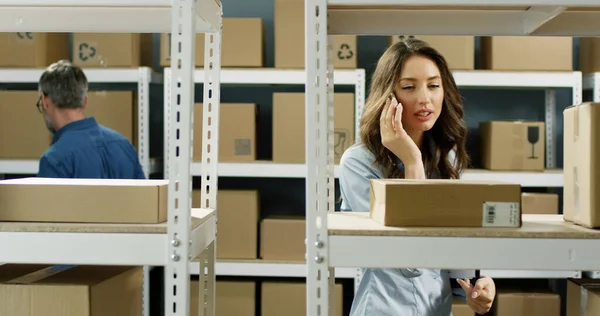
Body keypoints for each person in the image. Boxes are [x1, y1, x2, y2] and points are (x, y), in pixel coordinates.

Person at [338, 38, 496, 315]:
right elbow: (408, 260)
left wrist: (474, 284)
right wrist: (411, 162)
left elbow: (450, 238)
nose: (425, 98)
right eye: (409, 87)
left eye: (434, 85)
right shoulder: (359, 162)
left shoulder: (445, 157)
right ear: (388, 96)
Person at [36, 60, 145, 179]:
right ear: (85, 101)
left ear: (45, 101)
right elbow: (146, 197)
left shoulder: (54, 160)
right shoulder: (124, 145)